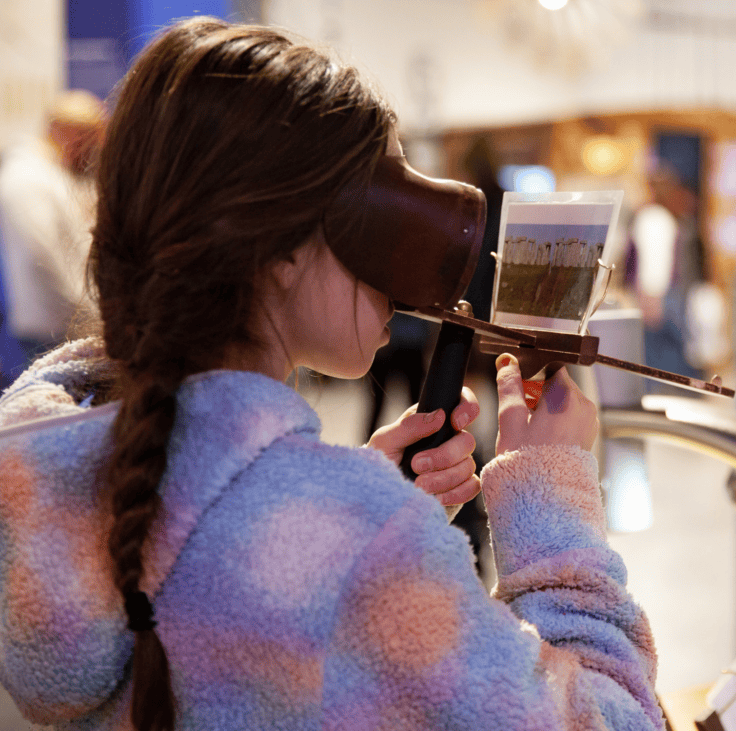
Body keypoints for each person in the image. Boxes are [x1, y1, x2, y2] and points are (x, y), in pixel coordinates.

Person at [0, 18, 663, 731]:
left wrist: (341, 501)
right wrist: (549, 498)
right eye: (382, 194)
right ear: (281, 243)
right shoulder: (354, 546)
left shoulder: (39, 470)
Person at [0, 89, 104, 363]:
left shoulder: (55, 173)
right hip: (50, 326)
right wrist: (86, 313)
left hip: (66, 322)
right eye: (90, 137)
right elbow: (42, 254)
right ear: (67, 132)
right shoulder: (27, 177)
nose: (94, 147)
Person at [624, 163, 709, 385]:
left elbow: (655, 261)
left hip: (659, 295)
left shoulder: (653, 217)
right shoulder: (662, 217)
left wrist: (651, 297)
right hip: (668, 294)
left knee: (660, 356)